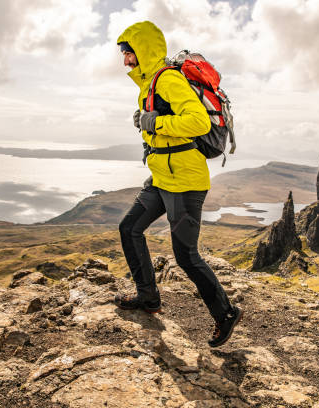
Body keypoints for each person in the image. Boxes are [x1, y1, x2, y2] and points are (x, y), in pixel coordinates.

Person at [115, 21, 242, 347]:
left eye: (128, 54)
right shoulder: (149, 85)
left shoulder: (168, 79)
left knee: (185, 256)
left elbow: (198, 122)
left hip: (185, 182)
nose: (126, 61)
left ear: (141, 51)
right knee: (129, 228)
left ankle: (225, 313)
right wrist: (145, 123)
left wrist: (154, 121)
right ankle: (148, 298)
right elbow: (159, 128)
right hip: (161, 177)